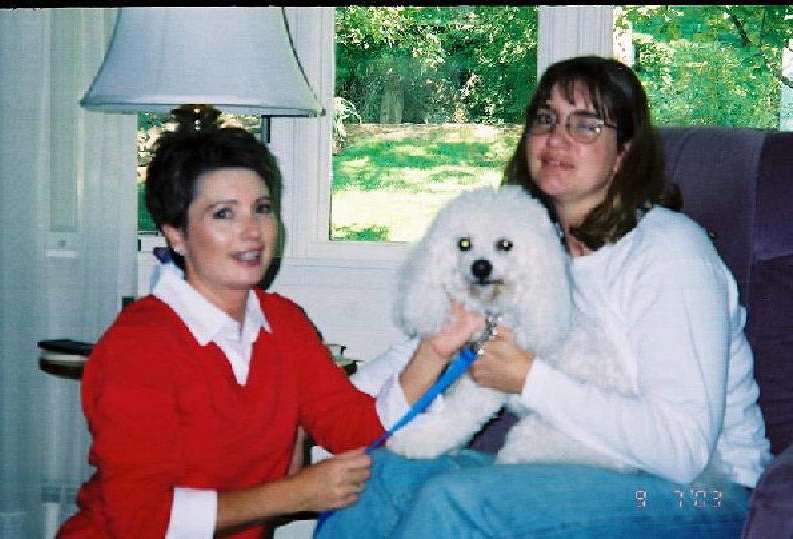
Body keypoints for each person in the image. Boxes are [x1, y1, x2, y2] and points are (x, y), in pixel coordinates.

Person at [315, 55, 772, 537]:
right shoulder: (531, 246)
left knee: (459, 503)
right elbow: (442, 336)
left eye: (586, 125)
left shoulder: (670, 254)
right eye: (546, 119)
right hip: (583, 467)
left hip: (707, 491)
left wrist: (528, 380)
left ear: (625, 153)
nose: (557, 139)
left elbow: (683, 450)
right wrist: (314, 409)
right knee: (380, 478)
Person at [56, 108, 468, 538]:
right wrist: (294, 494)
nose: (252, 231)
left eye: (262, 209)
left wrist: (434, 348)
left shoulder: (283, 323)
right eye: (224, 214)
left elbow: (353, 428)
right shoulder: (138, 349)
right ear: (175, 234)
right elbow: (142, 519)